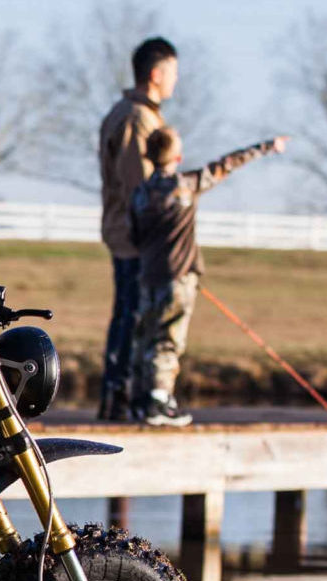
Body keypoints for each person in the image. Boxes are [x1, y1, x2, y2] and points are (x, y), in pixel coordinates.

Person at [127, 127, 287, 426]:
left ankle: (138, 400)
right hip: (178, 278)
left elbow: (134, 236)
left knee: (145, 338)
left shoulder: (139, 195)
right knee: (168, 339)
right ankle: (160, 402)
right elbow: (228, 163)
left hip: (148, 277)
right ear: (177, 156)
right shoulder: (187, 185)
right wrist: (267, 146)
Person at [96, 37, 179, 422]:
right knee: (131, 316)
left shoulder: (137, 114)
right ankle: (119, 398)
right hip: (132, 237)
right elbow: (138, 187)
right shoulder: (136, 118)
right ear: (156, 74)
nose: (176, 81)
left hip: (127, 232)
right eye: (174, 72)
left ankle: (122, 398)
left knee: (130, 314)